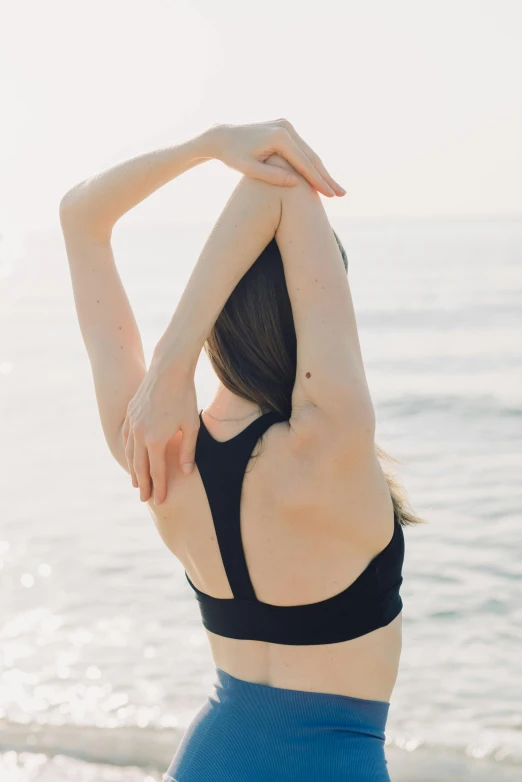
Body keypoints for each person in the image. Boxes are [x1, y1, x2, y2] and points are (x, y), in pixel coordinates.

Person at [60, 119, 424, 782]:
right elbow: (280, 189)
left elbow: (80, 216)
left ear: (216, 307)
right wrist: (171, 365)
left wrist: (207, 145)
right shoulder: (332, 440)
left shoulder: (153, 446)